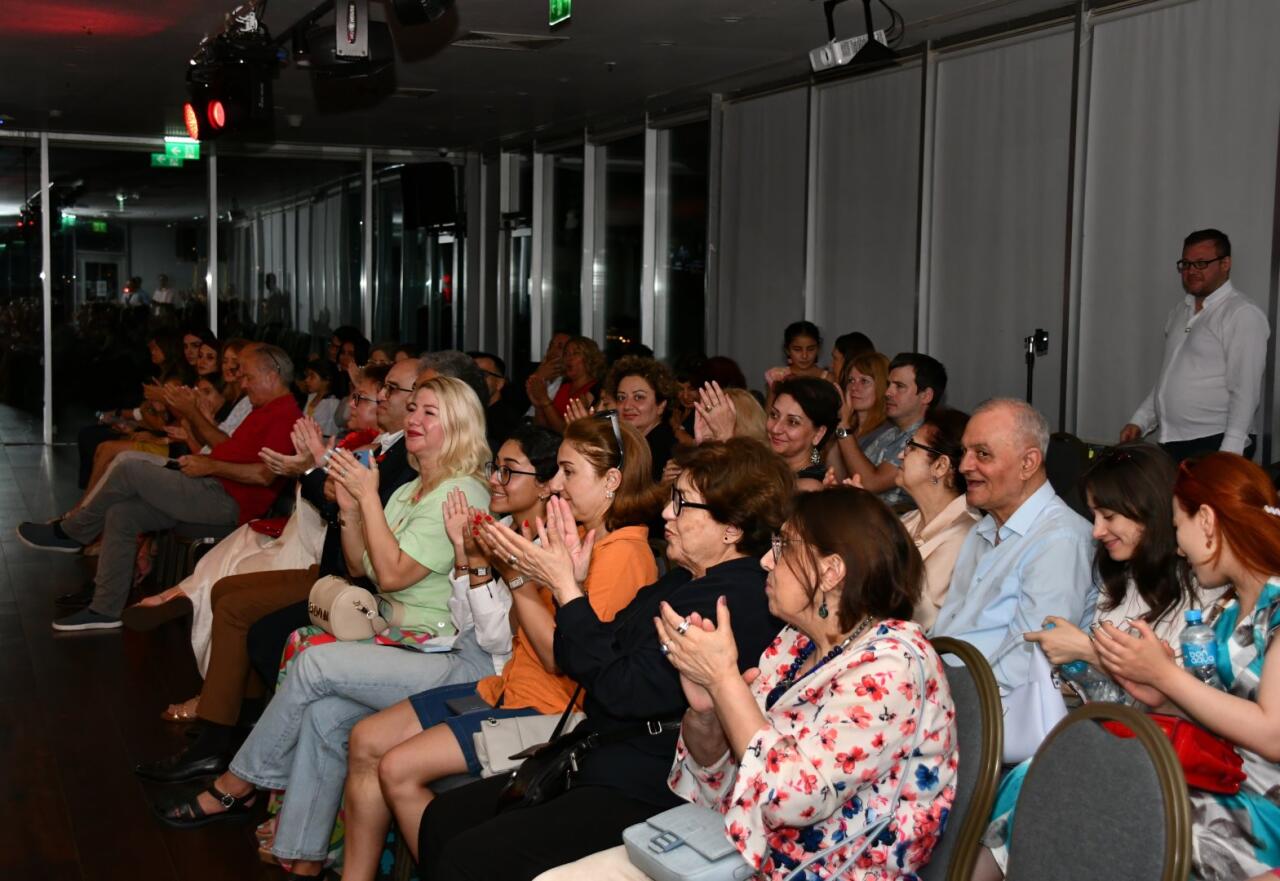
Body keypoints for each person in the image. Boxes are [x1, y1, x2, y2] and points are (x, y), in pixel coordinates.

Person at [154, 378, 494, 876]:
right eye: (414, 409)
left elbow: (395, 575)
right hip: (399, 637)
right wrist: (354, 508)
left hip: (444, 651)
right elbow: (361, 567)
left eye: (431, 413)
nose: (415, 420)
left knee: (311, 658)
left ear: (460, 426)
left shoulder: (460, 491)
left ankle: (237, 783)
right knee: (324, 716)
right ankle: (303, 857)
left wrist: (368, 499)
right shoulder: (413, 489)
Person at [418, 437, 793, 881]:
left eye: (682, 503)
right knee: (443, 817)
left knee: (470, 856)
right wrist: (570, 586)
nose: (667, 514)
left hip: (650, 779)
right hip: (603, 751)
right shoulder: (684, 581)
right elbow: (591, 650)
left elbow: (621, 686)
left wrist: (567, 590)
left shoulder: (734, 597)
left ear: (731, 526)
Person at [544, 486, 957, 881]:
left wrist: (725, 681)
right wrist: (706, 711)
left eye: (783, 548)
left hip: (823, 870)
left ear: (831, 571)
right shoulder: (795, 642)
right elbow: (716, 783)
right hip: (737, 850)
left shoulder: (894, 663)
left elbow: (786, 798)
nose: (765, 562)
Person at [972, 441, 1227, 880]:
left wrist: (1090, 653)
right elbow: (1108, 698)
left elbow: (1192, 705)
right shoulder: (1120, 583)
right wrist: (1074, 665)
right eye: (1094, 516)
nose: (1096, 531)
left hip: (1173, 758)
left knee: (1037, 778)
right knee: (1031, 777)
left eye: (1109, 517)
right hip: (1110, 739)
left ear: (1147, 511)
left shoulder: (1203, 592)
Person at [18, 345, 304, 631]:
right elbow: (226, 448)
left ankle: (73, 532)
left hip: (226, 502)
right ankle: (104, 608)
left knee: (128, 466)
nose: (243, 384)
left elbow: (265, 475)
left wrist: (212, 466)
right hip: (210, 488)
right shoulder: (262, 410)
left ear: (272, 374)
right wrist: (195, 421)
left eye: (249, 378)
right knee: (123, 513)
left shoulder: (287, 416)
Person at [1093, 453, 1280, 880]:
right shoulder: (1228, 611)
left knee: (1121, 817)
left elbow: (1272, 733)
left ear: (1208, 522)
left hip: (1262, 807)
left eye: (1179, 528)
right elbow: (1222, 713)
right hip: (1223, 783)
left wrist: (1167, 676)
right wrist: (1162, 694)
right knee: (1065, 783)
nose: (1178, 546)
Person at [930, 398, 1096, 692]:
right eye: (964, 452)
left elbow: (1027, 665)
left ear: (1028, 463)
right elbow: (950, 627)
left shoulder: (1059, 540)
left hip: (992, 714)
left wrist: (940, 698)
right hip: (946, 690)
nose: (965, 466)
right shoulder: (984, 528)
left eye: (982, 454)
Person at [1120, 229, 1269, 461]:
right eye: (1186, 264)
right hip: (1175, 442)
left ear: (1225, 263)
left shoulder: (1241, 313)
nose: (1191, 271)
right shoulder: (1180, 311)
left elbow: (1245, 390)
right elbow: (1168, 379)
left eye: (1201, 264)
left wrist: (1229, 453)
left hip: (1216, 442)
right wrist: (1140, 421)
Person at [896, 408, 978, 629]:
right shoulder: (909, 519)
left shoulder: (964, 534)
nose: (900, 455)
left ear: (940, 466)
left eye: (911, 447)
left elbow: (926, 620)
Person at [835, 352, 946, 510]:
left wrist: (843, 427)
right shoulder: (890, 434)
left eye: (899, 387)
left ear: (926, 396)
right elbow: (844, 477)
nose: (887, 392)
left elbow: (870, 483)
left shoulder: (925, 441)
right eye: (889, 385)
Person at [604, 355, 681, 480]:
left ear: (661, 405)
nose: (627, 406)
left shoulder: (667, 453)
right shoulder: (624, 443)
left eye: (639, 397)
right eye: (621, 398)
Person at [766, 376, 841, 492]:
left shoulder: (809, 488)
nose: (776, 429)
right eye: (774, 415)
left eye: (792, 422)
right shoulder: (770, 471)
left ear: (818, 434)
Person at [529, 335, 604, 434]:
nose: (568, 358)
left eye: (575, 353)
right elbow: (543, 427)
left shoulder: (594, 390)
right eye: (566, 353)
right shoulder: (564, 386)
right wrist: (537, 405)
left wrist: (545, 400)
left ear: (589, 358)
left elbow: (567, 431)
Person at [469, 350, 523, 454]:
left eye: (483, 374)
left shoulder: (506, 421)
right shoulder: (466, 413)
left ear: (500, 383)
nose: (475, 379)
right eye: (471, 374)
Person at [764, 320, 829, 388]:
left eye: (810, 349)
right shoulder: (778, 376)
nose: (804, 356)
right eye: (797, 350)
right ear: (787, 350)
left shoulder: (827, 379)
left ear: (818, 348)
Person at [301, 359, 342, 437]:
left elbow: (328, 433)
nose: (307, 380)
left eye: (312, 376)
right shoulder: (311, 397)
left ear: (327, 380)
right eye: (307, 376)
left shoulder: (333, 404)